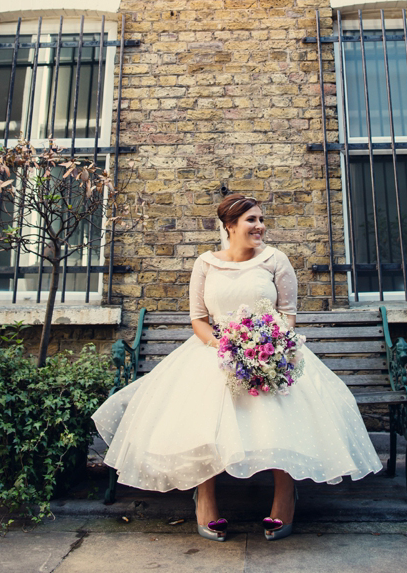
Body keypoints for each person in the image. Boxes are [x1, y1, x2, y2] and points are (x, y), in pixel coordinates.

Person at [92, 194, 382, 541]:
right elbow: (198, 320)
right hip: (215, 350)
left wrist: (270, 347)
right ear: (230, 226)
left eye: (261, 219)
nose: (259, 226)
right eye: (251, 220)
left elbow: (288, 315)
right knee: (202, 405)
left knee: (280, 405)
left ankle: (285, 494)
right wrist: (225, 346)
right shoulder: (206, 263)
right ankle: (206, 497)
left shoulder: (276, 260)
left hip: (270, 349)